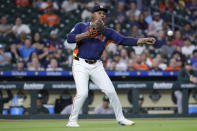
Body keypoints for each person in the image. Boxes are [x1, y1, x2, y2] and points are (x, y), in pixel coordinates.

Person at [66, 4, 160, 127]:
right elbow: (69, 38)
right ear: (93, 14)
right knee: (83, 93)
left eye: (103, 13)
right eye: (99, 12)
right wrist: (86, 34)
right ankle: (72, 121)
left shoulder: (107, 32)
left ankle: (121, 119)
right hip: (80, 63)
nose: (102, 15)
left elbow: (123, 40)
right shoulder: (81, 26)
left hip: (96, 65)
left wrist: (142, 40)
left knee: (111, 91)